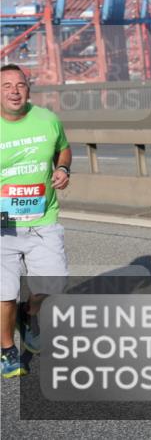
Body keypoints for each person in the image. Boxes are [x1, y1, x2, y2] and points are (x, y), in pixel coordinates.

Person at [1, 64, 71, 378]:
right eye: (6, 86)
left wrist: (64, 169)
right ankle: (7, 351)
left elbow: (64, 150)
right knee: (4, 295)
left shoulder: (47, 120)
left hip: (44, 219)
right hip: (3, 225)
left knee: (52, 284)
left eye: (20, 85)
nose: (14, 91)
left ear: (29, 89)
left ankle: (29, 315)